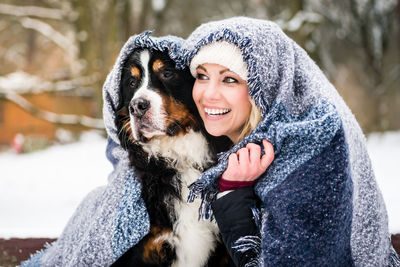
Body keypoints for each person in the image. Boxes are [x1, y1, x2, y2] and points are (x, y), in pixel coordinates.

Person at [180, 17, 400, 266]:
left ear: (264, 85)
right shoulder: (222, 141)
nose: (208, 94)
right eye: (201, 76)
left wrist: (232, 192)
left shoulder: (307, 158)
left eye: (230, 79)